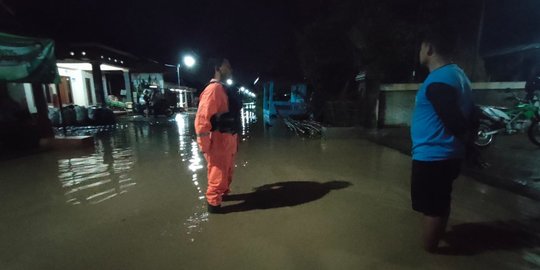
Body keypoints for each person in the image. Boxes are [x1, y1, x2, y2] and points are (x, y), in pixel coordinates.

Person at [410, 28, 475, 252]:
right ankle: (435, 238)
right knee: (438, 201)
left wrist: (466, 144)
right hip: (446, 155)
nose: (419, 51)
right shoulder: (458, 75)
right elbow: (471, 115)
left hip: (434, 156)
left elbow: (455, 121)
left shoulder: (439, 81)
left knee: (432, 207)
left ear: (429, 48)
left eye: (421, 47)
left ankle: (429, 252)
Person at [195, 58, 241, 213]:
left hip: (227, 141)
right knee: (217, 177)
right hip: (218, 143)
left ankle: (222, 195)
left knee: (226, 174)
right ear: (218, 68)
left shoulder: (223, 89)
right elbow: (202, 120)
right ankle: (214, 207)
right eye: (227, 66)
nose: (231, 69)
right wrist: (205, 147)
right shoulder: (213, 90)